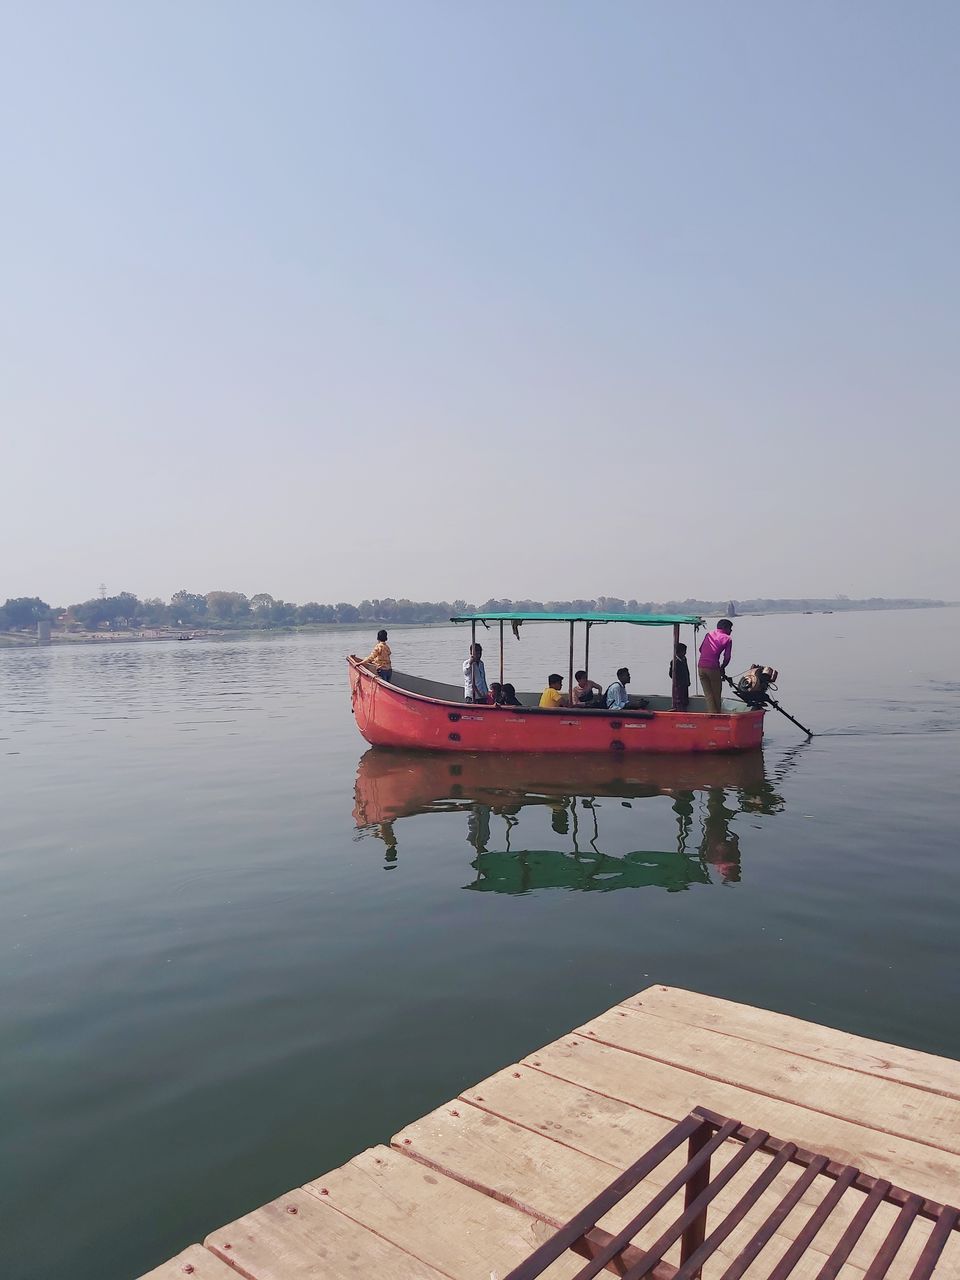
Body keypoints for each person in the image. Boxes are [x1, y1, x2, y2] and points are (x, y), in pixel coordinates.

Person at [698, 619, 733, 713]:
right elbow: (727, 658)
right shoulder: (727, 638)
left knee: (708, 695)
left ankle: (712, 714)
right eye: (730, 628)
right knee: (716, 694)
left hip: (701, 667)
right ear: (725, 628)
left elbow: (701, 649)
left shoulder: (708, 634)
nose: (731, 631)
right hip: (712, 667)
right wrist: (722, 667)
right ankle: (717, 717)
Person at [669, 642, 691, 711]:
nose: (685, 653)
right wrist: (677, 681)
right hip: (679, 685)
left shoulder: (684, 659)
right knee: (679, 699)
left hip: (685, 683)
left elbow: (687, 671)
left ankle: (684, 710)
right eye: (684, 651)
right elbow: (671, 674)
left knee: (685, 699)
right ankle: (679, 710)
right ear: (678, 652)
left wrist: (688, 681)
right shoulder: (674, 662)